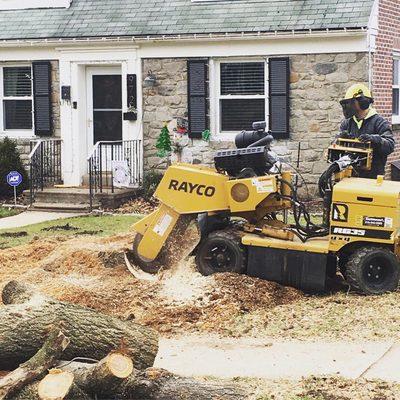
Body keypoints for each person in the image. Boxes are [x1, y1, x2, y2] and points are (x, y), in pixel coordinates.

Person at [338, 83, 395, 178]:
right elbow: (336, 145)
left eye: (350, 102)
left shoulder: (379, 122)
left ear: (363, 102)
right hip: (349, 176)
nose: (347, 106)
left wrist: (375, 139)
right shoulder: (347, 123)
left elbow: (390, 145)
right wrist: (340, 138)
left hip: (372, 177)